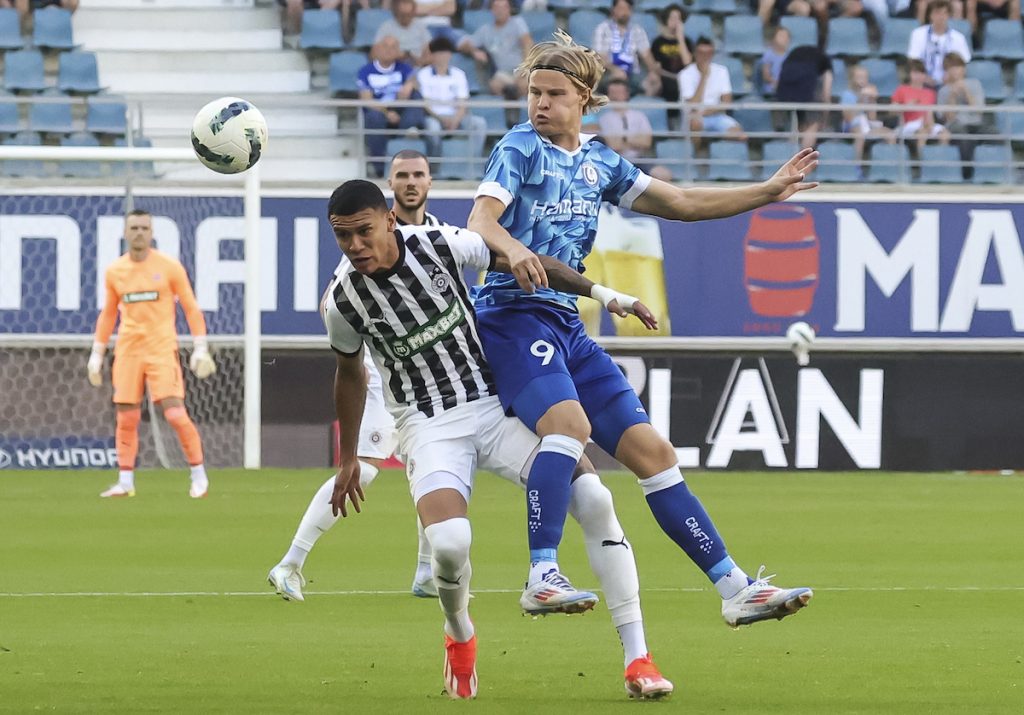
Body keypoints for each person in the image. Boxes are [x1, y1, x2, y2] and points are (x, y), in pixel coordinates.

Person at [467, 29, 816, 629]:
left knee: (654, 453)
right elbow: (480, 220)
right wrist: (513, 249)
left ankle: (736, 589)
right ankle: (542, 575)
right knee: (569, 427)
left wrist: (766, 191)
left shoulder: (599, 161)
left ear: (583, 99)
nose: (540, 103)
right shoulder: (519, 147)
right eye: (534, 92)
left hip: (564, 321)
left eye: (554, 94)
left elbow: (679, 203)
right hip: (511, 316)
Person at [324, 179, 673, 699]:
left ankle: (639, 658)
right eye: (343, 236)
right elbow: (349, 373)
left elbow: (524, 261)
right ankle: (459, 633)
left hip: (492, 406)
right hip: (428, 425)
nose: (355, 246)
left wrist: (602, 293)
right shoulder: (342, 300)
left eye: (364, 231)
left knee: (595, 498)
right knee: (449, 544)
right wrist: (349, 457)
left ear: (389, 221)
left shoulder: (441, 244)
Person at [268, 151, 446, 605]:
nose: (411, 182)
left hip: (432, 379)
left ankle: (427, 572)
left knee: (439, 468)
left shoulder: (439, 236)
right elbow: (331, 304)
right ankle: (291, 562)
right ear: (391, 186)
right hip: (386, 379)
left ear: (430, 181)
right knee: (363, 469)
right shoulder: (367, 244)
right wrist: (366, 348)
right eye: (402, 175)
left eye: (418, 175)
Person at [87, 210, 214, 499]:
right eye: (134, 228)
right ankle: (125, 481)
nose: (139, 233)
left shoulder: (169, 267)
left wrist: (200, 346)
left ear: (152, 233)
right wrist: (97, 352)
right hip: (128, 350)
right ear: (125, 233)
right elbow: (108, 314)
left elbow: (190, 307)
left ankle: (199, 476)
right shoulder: (115, 271)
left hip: (161, 348)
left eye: (144, 228)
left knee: (175, 413)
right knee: (126, 417)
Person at [357, 36, 425, 177]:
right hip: (379, 110)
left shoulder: (404, 68)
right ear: (377, 49)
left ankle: (407, 133)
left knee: (416, 94)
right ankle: (380, 168)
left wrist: (410, 84)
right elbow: (367, 100)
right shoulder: (365, 71)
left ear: (398, 51)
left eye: (393, 47)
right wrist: (387, 112)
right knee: (373, 117)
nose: (389, 50)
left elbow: (415, 82)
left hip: (400, 108)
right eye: (385, 46)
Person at [416, 36, 488, 161]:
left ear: (450, 54)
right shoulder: (423, 74)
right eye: (439, 53)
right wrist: (441, 119)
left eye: (445, 52)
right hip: (434, 117)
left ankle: (473, 161)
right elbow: (425, 104)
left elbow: (463, 102)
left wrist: (455, 119)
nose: (443, 56)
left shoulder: (459, 74)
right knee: (433, 128)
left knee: (479, 124)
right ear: (432, 55)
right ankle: (435, 165)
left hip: (456, 116)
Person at [458, 0, 532, 109]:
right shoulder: (486, 30)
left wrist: (525, 68)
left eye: (504, 7)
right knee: (495, 85)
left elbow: (527, 44)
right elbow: (464, 45)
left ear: (509, 9)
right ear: (492, 10)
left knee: (526, 84)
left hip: (521, 70)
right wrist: (474, 51)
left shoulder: (517, 23)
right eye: (497, 7)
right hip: (502, 74)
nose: (500, 10)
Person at [678, 36, 746, 149]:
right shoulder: (685, 74)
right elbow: (693, 106)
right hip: (694, 117)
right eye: (701, 53)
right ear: (695, 53)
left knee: (740, 135)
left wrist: (707, 112)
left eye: (708, 53)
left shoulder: (722, 71)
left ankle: (721, 155)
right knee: (695, 124)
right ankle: (696, 155)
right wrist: (703, 77)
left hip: (716, 115)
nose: (705, 57)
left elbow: (727, 101)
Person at [936, 52, 991, 179]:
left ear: (964, 69)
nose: (955, 71)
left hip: (976, 124)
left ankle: (1000, 172)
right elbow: (948, 118)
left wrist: (966, 92)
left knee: (994, 134)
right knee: (963, 135)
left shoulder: (975, 84)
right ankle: (967, 174)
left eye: (958, 67)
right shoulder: (943, 91)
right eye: (951, 68)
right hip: (956, 125)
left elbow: (979, 111)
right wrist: (952, 96)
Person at [592, 0, 663, 97]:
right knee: (620, 76)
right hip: (608, 72)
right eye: (621, 8)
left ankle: (643, 104)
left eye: (627, 9)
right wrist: (615, 70)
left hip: (632, 72)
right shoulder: (602, 29)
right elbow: (600, 58)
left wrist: (653, 71)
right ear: (613, 10)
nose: (624, 12)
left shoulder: (637, 30)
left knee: (654, 82)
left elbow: (647, 55)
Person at [840, 64, 895, 177]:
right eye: (859, 77)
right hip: (851, 126)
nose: (862, 80)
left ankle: (888, 168)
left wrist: (872, 100)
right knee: (860, 134)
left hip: (867, 125)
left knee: (890, 134)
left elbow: (872, 118)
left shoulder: (868, 93)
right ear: (853, 79)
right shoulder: (847, 94)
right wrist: (860, 98)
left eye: (864, 77)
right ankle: (857, 167)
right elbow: (848, 118)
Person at [775, 43, 832, 149]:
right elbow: (826, 93)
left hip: (786, 87)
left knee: (795, 125)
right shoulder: (826, 61)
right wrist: (824, 119)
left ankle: (793, 153)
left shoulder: (795, 54)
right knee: (813, 124)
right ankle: (804, 155)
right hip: (806, 86)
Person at [907, 0, 971, 88]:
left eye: (944, 13)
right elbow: (913, 61)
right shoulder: (918, 34)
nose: (941, 17)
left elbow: (963, 64)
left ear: (949, 16)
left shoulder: (958, 37)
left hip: (950, 83)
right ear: (930, 15)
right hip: (923, 82)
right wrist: (925, 78)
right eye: (937, 13)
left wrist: (950, 77)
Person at [892, 58, 950, 153]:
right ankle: (920, 160)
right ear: (909, 74)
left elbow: (930, 112)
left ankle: (941, 157)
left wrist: (930, 125)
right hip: (909, 125)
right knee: (922, 133)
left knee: (945, 134)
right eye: (915, 73)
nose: (918, 76)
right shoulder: (901, 89)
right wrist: (906, 106)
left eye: (921, 73)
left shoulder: (931, 93)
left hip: (928, 123)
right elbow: (892, 110)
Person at [649, 4, 692, 107]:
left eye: (678, 19)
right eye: (672, 18)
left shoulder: (686, 41)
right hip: (665, 77)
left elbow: (688, 63)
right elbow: (657, 68)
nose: (675, 22)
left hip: (684, 78)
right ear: (666, 20)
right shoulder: (658, 42)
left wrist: (680, 38)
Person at [374, 0, 431, 65]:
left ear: (413, 13)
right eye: (403, 15)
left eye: (408, 14)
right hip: (393, 64)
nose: (406, 18)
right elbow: (374, 54)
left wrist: (422, 61)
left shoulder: (420, 26)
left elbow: (429, 49)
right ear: (396, 12)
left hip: (417, 64)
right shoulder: (386, 27)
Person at [758, 25, 790, 96]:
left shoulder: (790, 55)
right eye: (781, 36)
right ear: (774, 39)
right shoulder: (769, 54)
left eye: (786, 37)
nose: (784, 39)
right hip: (771, 89)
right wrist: (776, 83)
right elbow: (766, 76)